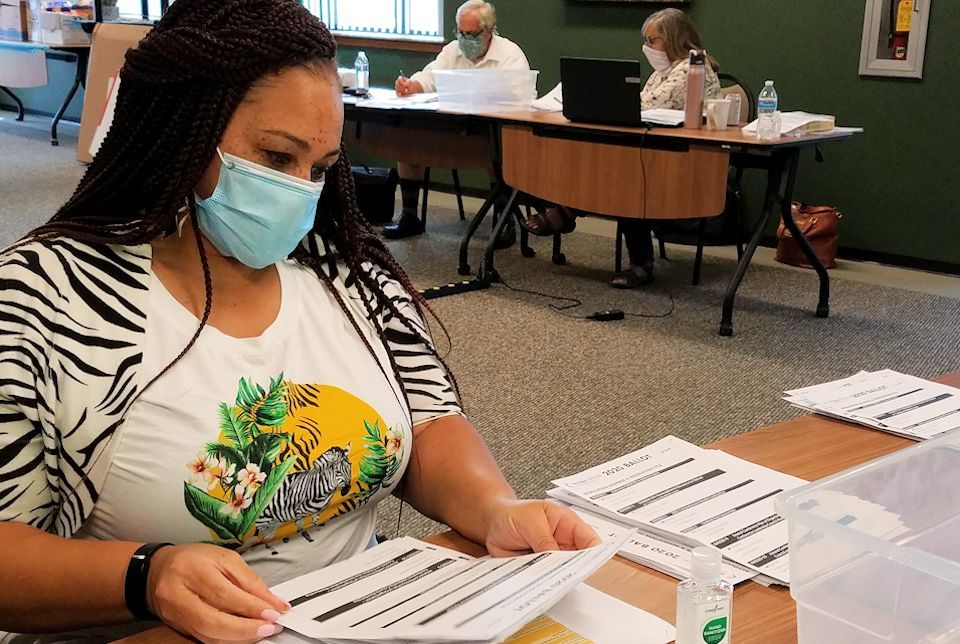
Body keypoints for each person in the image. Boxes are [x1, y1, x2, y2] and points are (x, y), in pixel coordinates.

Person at [0, 1, 598, 642]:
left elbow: (425, 423)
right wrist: (146, 575)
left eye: (319, 168)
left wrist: (493, 506)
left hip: (356, 618)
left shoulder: (346, 275)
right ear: (182, 131)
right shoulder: (49, 298)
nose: (300, 192)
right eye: (277, 157)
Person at [522, 8, 721, 288]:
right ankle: (574, 215)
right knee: (613, 169)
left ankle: (575, 216)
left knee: (627, 182)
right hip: (655, 151)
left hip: (683, 159)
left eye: (652, 40)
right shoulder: (663, 72)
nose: (647, 47)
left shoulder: (691, 67)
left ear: (673, 38)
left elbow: (643, 105)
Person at [383, 0, 530, 240]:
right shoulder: (452, 50)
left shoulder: (509, 54)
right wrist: (412, 86)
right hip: (452, 127)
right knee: (408, 142)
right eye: (460, 32)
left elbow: (520, 95)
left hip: (491, 131)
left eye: (471, 34)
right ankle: (410, 216)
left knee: (493, 151)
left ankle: (503, 220)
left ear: (489, 31)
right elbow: (430, 76)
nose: (464, 39)